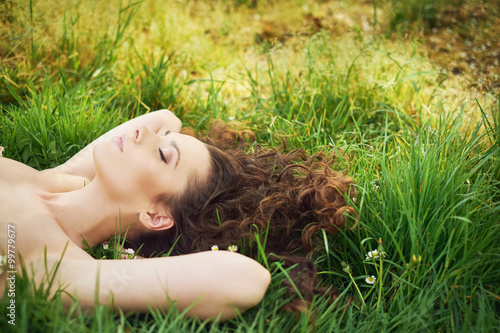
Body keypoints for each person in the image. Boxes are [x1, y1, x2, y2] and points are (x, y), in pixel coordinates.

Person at [0, 109, 356, 321]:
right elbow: (164, 118)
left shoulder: (59, 266)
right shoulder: (55, 178)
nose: (141, 132)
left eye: (163, 155)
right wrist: (164, 142)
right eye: (160, 141)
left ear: (156, 215)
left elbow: (245, 280)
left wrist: (130, 264)